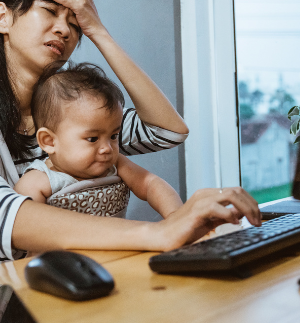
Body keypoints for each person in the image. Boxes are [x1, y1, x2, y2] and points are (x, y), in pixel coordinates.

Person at [0, 0, 262, 273]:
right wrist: (159, 232)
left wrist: (98, 31)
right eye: (49, 12)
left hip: (88, 279)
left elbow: (167, 131)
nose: (65, 31)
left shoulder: (72, 114)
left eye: (75, 25)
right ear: (2, 18)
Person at [14, 62, 183, 219]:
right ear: (49, 141)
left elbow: (151, 184)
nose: (107, 148)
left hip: (121, 246)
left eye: (114, 136)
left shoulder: (116, 165)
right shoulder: (38, 182)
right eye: (92, 138)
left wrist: (176, 217)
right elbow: (28, 231)